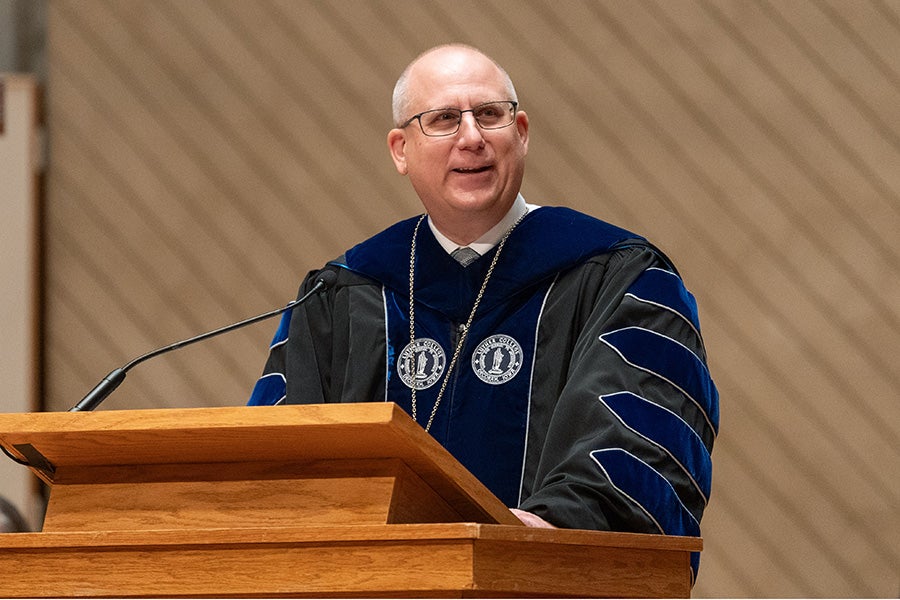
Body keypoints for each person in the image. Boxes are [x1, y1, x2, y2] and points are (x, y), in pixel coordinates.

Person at [249, 44, 718, 579]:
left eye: (489, 115)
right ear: (401, 149)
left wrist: (540, 530)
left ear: (520, 132)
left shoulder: (619, 278)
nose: (471, 137)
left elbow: (642, 445)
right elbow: (279, 470)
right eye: (444, 119)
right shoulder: (340, 296)